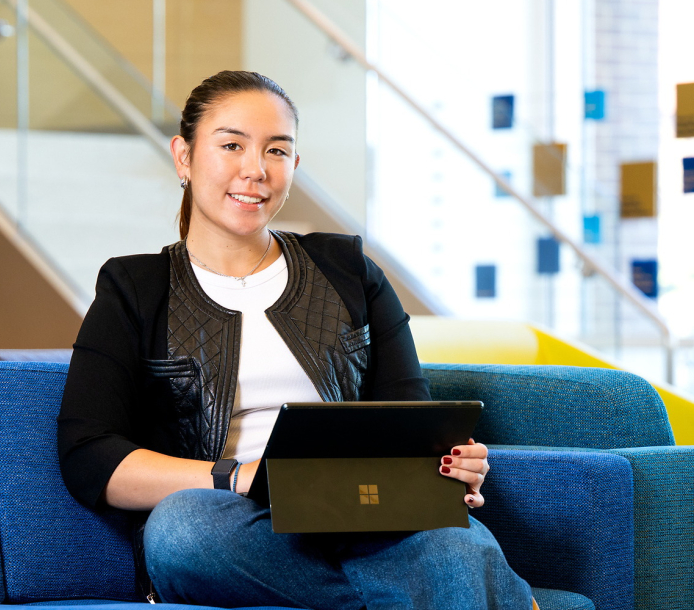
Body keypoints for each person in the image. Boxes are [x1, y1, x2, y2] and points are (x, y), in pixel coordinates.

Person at [56, 70, 535, 609]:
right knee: (181, 530)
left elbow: (406, 418)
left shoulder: (349, 271)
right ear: (184, 157)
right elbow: (90, 455)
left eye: (277, 151)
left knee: (451, 538)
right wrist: (239, 477)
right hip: (233, 521)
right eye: (232, 144)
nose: (255, 170)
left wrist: (445, 467)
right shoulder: (134, 288)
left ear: (294, 165)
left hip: (362, 514)